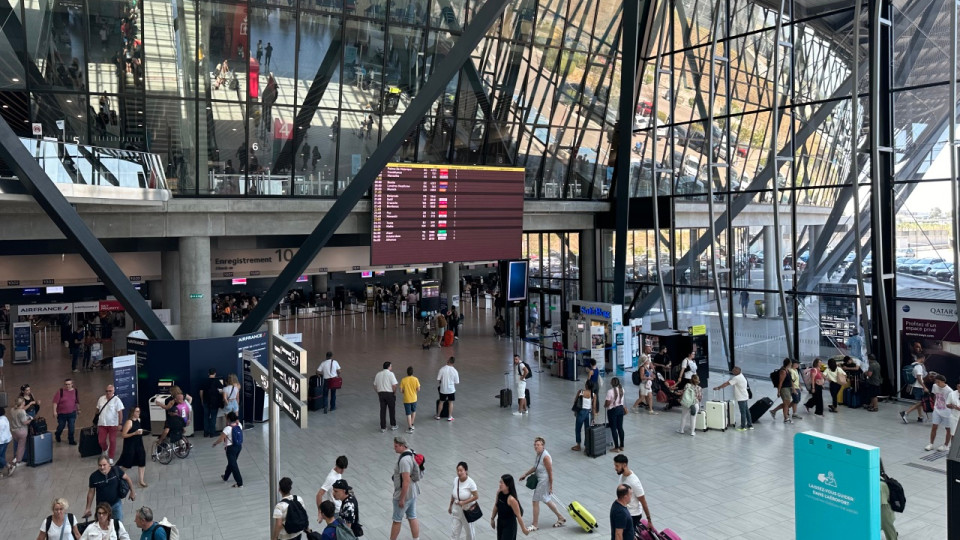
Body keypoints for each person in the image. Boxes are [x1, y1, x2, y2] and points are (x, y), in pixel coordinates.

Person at [517, 437, 565, 529]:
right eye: (535, 445)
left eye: (538, 445)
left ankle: (535, 525)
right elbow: (535, 467)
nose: (536, 446)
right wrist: (525, 474)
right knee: (546, 499)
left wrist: (551, 486)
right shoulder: (539, 454)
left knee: (535, 501)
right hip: (541, 480)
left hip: (543, 481)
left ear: (543, 446)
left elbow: (550, 472)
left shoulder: (545, 457)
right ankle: (561, 517)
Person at [85, 456, 136, 522]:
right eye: (100, 465)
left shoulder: (116, 470)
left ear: (109, 464)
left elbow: (127, 478)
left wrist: (132, 492)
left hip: (116, 504)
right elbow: (91, 492)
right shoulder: (94, 477)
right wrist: (88, 508)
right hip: (102, 507)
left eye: (104, 465)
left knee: (118, 524)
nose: (102, 467)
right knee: (103, 525)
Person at [390, 437, 421, 540]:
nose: (394, 448)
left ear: (402, 446)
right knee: (412, 516)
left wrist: (402, 499)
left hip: (404, 494)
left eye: (396, 446)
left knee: (397, 520)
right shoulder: (411, 453)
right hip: (413, 492)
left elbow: (406, 480)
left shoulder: (404, 460)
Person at [612, 454, 653, 531]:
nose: (615, 468)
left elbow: (643, 501)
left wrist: (649, 520)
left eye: (617, 466)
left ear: (624, 465)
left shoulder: (634, 482)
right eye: (615, 465)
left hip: (633, 515)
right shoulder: (622, 476)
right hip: (624, 511)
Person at [490, 474, 531, 539]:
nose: (500, 484)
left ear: (508, 485)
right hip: (500, 522)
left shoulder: (511, 499)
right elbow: (496, 505)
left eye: (502, 483)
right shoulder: (499, 493)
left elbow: (518, 515)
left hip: (509, 525)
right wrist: (492, 518)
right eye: (500, 482)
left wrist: (524, 529)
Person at [117, 406, 148, 488]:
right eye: (137, 411)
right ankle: (117, 474)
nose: (139, 413)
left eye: (139, 411)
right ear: (133, 412)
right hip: (130, 445)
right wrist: (134, 433)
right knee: (127, 462)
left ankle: (141, 480)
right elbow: (123, 435)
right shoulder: (129, 422)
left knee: (142, 460)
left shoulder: (139, 420)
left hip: (139, 443)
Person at [714, 366, 753, 430]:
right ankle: (750, 425)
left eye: (733, 371)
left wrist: (718, 387)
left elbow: (727, 383)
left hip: (741, 397)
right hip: (745, 396)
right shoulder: (742, 375)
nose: (732, 372)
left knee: (743, 412)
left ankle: (743, 427)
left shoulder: (737, 378)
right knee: (746, 411)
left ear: (737, 371)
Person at [448, 461, 479, 540]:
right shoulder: (455, 480)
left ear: (466, 471)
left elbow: (476, 496)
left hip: (467, 510)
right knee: (454, 533)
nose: (459, 472)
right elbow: (453, 494)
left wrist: (464, 502)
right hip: (456, 510)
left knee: (470, 533)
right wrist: (450, 506)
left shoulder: (471, 483)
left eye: (461, 470)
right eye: (458, 470)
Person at [213, 411, 243, 488]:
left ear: (228, 419)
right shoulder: (239, 425)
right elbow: (237, 421)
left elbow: (221, 439)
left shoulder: (227, 429)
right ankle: (225, 477)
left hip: (230, 449)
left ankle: (239, 483)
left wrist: (215, 443)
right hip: (238, 447)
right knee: (231, 462)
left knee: (233, 465)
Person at [96, 385, 125, 464]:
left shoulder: (117, 400)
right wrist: (95, 419)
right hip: (102, 424)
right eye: (107, 391)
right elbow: (97, 409)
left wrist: (120, 423)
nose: (108, 393)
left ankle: (111, 456)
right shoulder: (101, 399)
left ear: (113, 391)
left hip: (113, 424)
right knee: (101, 441)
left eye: (110, 391)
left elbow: (120, 413)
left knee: (112, 440)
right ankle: (105, 449)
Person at [925, 375, 953, 452]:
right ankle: (931, 444)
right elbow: (935, 396)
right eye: (936, 382)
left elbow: (951, 402)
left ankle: (946, 445)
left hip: (947, 412)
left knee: (948, 429)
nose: (937, 383)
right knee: (934, 426)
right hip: (937, 410)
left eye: (938, 382)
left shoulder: (949, 391)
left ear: (943, 382)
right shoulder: (934, 386)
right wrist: (935, 405)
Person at [572, 380, 599, 451]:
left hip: (581, 412)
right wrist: (594, 417)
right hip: (588, 413)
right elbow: (594, 407)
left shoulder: (580, 392)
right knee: (587, 430)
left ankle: (578, 445)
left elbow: (575, 401)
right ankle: (586, 446)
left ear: (586, 385)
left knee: (578, 429)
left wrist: (575, 411)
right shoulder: (593, 395)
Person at [901, 355, 929, 423]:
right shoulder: (919, 366)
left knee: (918, 402)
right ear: (922, 358)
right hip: (919, 387)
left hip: (913, 386)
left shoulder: (913, 365)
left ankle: (920, 417)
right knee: (921, 402)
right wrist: (924, 387)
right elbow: (919, 378)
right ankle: (905, 413)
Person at [53, 378, 81, 445]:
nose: (67, 386)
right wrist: (54, 411)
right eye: (66, 384)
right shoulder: (60, 392)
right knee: (61, 426)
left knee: (71, 427)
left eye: (69, 384)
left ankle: (71, 440)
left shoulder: (75, 391)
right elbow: (55, 402)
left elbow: (76, 401)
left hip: (72, 413)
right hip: (62, 414)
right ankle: (57, 434)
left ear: (72, 384)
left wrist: (78, 409)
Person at [374, 361, 399, 432]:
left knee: (382, 410)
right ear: (389, 367)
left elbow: (375, 385)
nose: (391, 367)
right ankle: (393, 425)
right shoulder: (391, 374)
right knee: (392, 410)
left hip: (381, 394)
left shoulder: (378, 374)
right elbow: (394, 385)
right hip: (389, 394)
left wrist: (378, 392)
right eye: (391, 366)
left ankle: (383, 427)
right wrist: (394, 393)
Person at [8, 396, 32, 472]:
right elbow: (25, 422)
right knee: (21, 447)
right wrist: (30, 419)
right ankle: (18, 461)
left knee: (17, 445)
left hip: (14, 431)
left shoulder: (12, 410)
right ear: (22, 403)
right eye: (24, 401)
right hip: (22, 431)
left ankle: (15, 457)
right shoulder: (22, 411)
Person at [604, 377, 627, 452]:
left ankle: (616, 447)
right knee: (620, 427)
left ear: (611, 383)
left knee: (613, 428)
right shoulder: (622, 389)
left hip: (612, 410)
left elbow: (607, 403)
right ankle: (622, 446)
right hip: (620, 409)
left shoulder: (610, 391)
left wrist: (605, 405)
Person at [199, 368, 223, 437]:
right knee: (213, 417)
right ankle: (212, 432)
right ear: (215, 373)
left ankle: (206, 432)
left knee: (206, 417)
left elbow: (201, 392)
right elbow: (221, 391)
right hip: (214, 402)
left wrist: (202, 400)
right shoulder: (217, 381)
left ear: (208, 373)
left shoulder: (204, 381)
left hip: (206, 401)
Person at [436, 356, 460, 421]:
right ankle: (450, 416)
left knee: (441, 402)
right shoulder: (455, 371)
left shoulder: (442, 369)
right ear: (453, 362)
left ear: (448, 361)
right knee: (450, 403)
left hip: (443, 389)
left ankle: (438, 416)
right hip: (451, 389)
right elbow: (457, 382)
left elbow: (438, 379)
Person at [772, 358, 794, 423]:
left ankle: (774, 411)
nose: (791, 364)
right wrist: (778, 391)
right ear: (788, 363)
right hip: (784, 389)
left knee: (786, 403)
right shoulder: (783, 371)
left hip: (788, 389)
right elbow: (780, 382)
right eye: (790, 363)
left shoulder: (787, 370)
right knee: (786, 404)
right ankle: (786, 417)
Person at [400, 366, 421, 432]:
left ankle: (409, 427)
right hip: (414, 398)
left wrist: (405, 391)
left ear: (407, 372)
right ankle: (412, 424)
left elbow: (401, 390)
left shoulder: (403, 380)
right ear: (412, 372)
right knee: (413, 411)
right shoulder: (415, 379)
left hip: (406, 399)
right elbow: (418, 389)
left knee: (408, 413)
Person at [0, 406, 11, 477]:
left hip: (1, 440)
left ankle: (7, 465)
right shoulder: (5, 418)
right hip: (7, 439)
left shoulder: (0, 421)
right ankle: (1, 470)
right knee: (2, 455)